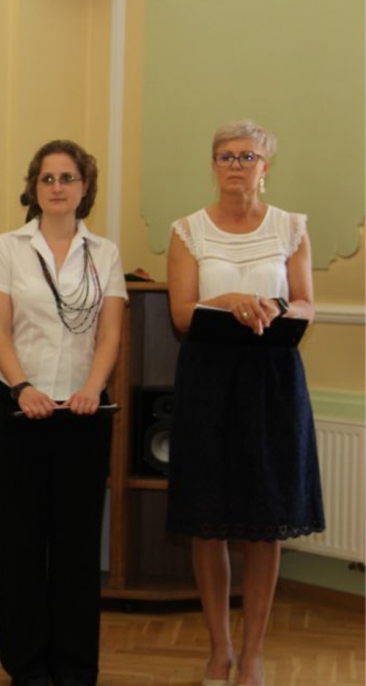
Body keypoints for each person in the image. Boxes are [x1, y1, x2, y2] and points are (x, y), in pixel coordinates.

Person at [166, 120, 323, 686]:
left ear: (265, 167)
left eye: (248, 156)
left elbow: (306, 304)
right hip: (208, 382)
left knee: (264, 521)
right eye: (227, 156)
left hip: (272, 381)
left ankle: (253, 653)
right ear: (213, 165)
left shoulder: (291, 227)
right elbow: (182, 314)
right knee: (207, 520)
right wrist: (228, 298)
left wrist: (274, 306)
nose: (236, 165)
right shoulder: (187, 230)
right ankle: (219, 649)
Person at [0, 140, 126, 686]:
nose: (57, 187)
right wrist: (22, 387)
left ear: (85, 188)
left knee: (77, 546)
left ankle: (75, 666)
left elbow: (109, 334)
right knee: (20, 543)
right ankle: (26, 666)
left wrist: (92, 388)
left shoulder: (104, 253)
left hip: (83, 412)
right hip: (16, 408)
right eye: (47, 178)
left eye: (68, 178)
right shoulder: (8, 247)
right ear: (34, 187)